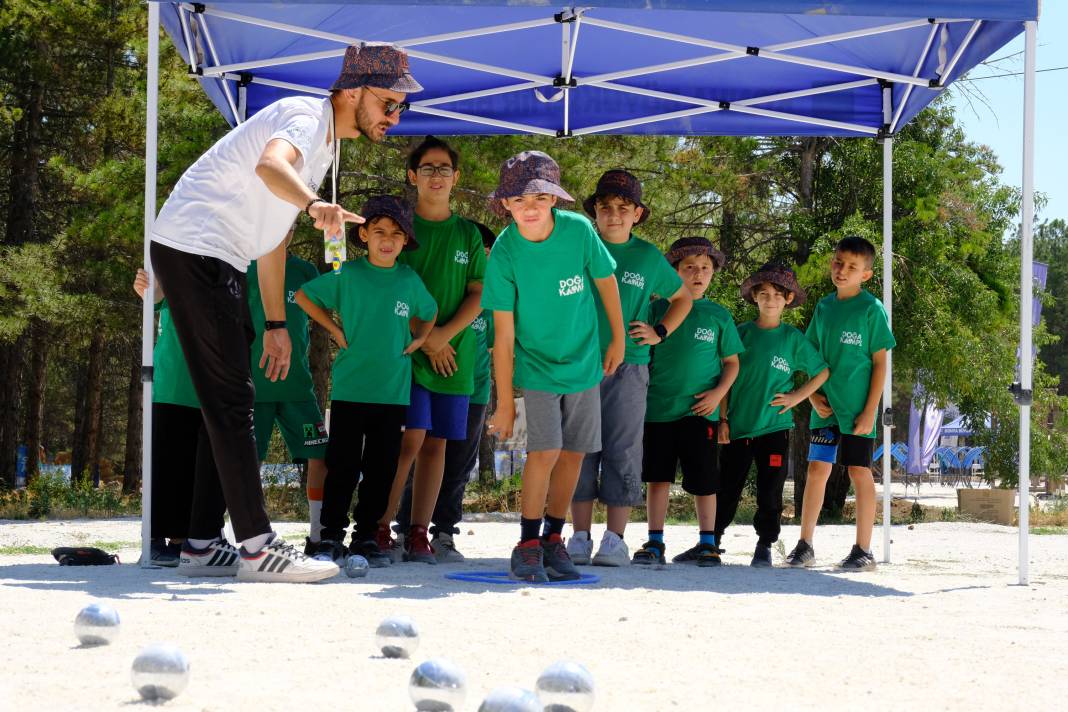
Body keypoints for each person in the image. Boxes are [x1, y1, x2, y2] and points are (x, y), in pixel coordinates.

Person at [148, 43, 421, 582]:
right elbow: (270, 165)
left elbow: (272, 242)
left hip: (220, 255)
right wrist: (316, 204)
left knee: (228, 396)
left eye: (400, 108)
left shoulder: (322, 148)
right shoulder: (303, 114)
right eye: (388, 103)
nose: (394, 117)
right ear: (350, 92)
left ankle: (202, 542)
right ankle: (256, 547)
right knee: (231, 399)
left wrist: (277, 325)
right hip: (195, 246)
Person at [481, 150, 626, 582]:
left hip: (583, 362)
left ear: (554, 201)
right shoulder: (504, 253)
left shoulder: (580, 232)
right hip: (538, 366)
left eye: (539, 198)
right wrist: (505, 402)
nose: (529, 207)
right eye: (519, 199)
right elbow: (502, 337)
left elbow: (606, 281)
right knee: (543, 451)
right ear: (505, 204)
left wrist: (618, 336)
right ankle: (526, 543)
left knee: (574, 453)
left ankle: (553, 539)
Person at [296, 196, 436, 567]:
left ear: (405, 240)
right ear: (364, 234)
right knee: (342, 465)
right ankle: (329, 537)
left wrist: (420, 339)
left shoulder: (408, 279)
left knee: (381, 468)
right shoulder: (349, 275)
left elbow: (430, 311)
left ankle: (366, 538)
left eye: (395, 233)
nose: (386, 239)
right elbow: (303, 296)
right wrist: (334, 330)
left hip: (392, 393)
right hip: (350, 389)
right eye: (378, 232)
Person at [568, 170, 692, 567]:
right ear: (595, 213)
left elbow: (682, 297)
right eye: (606, 208)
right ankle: (580, 536)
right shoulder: (579, 248)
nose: (614, 215)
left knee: (622, 449)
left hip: (630, 367)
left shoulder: (648, 256)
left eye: (623, 208)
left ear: (637, 214)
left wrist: (659, 331)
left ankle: (614, 539)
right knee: (579, 449)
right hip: (580, 366)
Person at [380, 136, 487, 564]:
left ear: (456, 177)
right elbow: (388, 285)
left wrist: (444, 336)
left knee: (437, 444)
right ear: (413, 176)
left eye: (444, 169)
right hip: (408, 354)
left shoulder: (468, 234)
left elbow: (479, 293)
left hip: (453, 357)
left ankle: (420, 533)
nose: (437, 176)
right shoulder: (401, 228)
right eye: (428, 168)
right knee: (407, 441)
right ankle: (381, 527)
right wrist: (427, 340)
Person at [785, 236, 896, 571]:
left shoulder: (871, 309)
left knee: (859, 471)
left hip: (858, 411)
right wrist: (813, 395)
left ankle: (863, 551)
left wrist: (869, 410)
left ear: (865, 274)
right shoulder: (824, 307)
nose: (842, 270)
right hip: (826, 410)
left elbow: (880, 363)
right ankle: (805, 545)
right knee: (817, 469)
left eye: (851, 266)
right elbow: (811, 356)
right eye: (838, 262)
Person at [632, 237, 742, 568]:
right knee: (658, 477)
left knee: (705, 480)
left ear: (713, 274)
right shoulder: (654, 310)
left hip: (701, 413)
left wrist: (718, 395)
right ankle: (655, 541)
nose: (697, 274)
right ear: (674, 271)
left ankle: (708, 543)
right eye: (689, 267)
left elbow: (733, 363)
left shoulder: (719, 316)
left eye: (705, 268)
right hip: (659, 410)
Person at [395, 220, 498, 562]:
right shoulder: (444, 281)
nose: (482, 258)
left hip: (474, 389)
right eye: (479, 253)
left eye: (487, 254)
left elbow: (502, 349)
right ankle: (402, 528)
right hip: (428, 371)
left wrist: (504, 402)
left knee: (457, 465)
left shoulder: (495, 299)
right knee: (413, 447)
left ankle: (443, 532)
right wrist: (433, 341)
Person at [714, 263, 829, 566]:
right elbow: (725, 380)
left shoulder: (793, 338)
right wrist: (722, 419)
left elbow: (821, 372)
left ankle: (765, 544)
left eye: (777, 294)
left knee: (771, 489)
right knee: (726, 486)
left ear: (788, 299)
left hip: (774, 428)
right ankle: (710, 541)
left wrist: (797, 397)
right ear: (754, 297)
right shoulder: (740, 335)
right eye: (763, 293)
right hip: (738, 427)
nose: (770, 300)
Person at [245, 226, 329, 554]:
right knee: (250, 461)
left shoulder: (304, 270)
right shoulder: (245, 265)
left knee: (320, 454)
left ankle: (318, 535)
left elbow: (334, 293)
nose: (285, 229)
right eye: (277, 221)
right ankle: (253, 535)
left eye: (291, 222)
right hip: (255, 386)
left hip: (298, 387)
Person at [133, 269, 199, 568]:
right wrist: (149, 286)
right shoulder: (175, 253)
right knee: (166, 463)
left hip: (212, 383)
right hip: (173, 381)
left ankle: (188, 539)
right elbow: (155, 295)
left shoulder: (232, 260)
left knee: (197, 468)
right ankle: (156, 539)